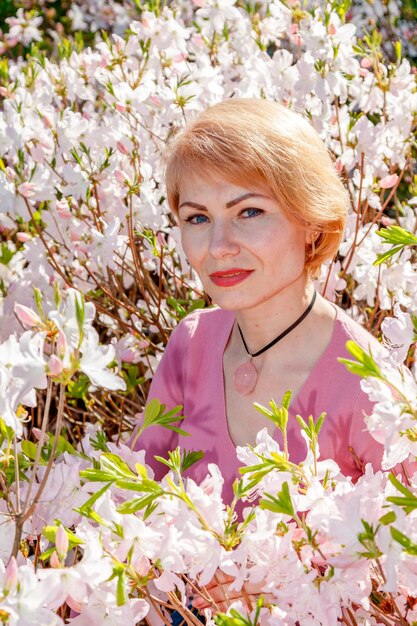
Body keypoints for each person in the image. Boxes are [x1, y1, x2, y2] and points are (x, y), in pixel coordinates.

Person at [131, 98, 384, 611]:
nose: (219, 245)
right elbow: (137, 495)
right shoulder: (192, 343)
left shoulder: (370, 386)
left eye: (250, 211)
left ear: (311, 222)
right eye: (197, 217)